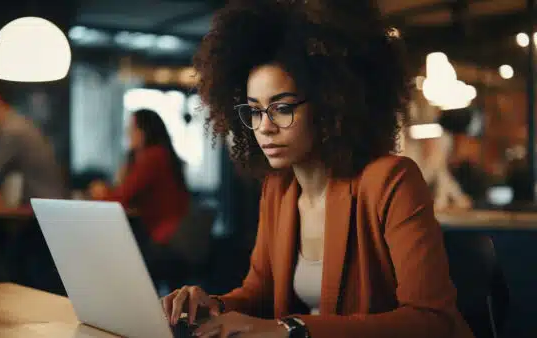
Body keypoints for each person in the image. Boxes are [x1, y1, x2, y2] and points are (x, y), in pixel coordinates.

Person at [162, 1, 475, 337]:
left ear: (329, 105)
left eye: (281, 108)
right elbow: (259, 292)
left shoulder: (391, 181)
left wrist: (290, 331)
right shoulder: (278, 190)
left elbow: (431, 321)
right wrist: (213, 305)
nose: (264, 127)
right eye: (254, 111)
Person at [89, 108, 190, 254]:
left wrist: (101, 192)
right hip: (170, 234)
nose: (128, 133)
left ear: (144, 132)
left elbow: (121, 198)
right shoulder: (160, 154)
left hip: (162, 238)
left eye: (132, 128)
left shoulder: (153, 157)